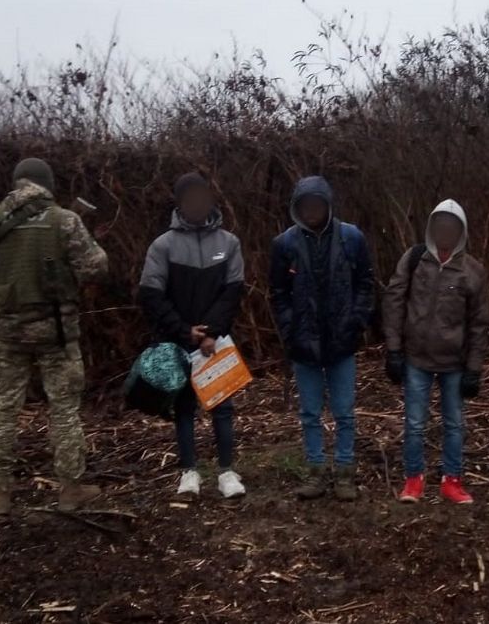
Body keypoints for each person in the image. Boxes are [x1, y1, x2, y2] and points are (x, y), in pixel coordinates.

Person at [0, 157, 108, 515]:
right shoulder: (65, 220)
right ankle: (70, 490)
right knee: (65, 411)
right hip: (57, 333)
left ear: (16, 183)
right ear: (48, 184)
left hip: (8, 332)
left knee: (4, 409)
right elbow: (95, 268)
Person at [138, 172, 247, 499]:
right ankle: (189, 472)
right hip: (177, 341)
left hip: (217, 343)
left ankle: (227, 472)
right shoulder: (163, 245)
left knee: (222, 407)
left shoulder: (229, 243)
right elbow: (151, 295)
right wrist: (185, 331)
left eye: (203, 196)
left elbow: (233, 292)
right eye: (190, 198)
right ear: (180, 203)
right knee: (184, 408)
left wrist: (211, 332)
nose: (197, 203)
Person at [270, 176, 375, 501]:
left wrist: (356, 322)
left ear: (328, 204)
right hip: (304, 344)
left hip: (342, 341)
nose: (312, 210)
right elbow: (278, 293)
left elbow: (366, 283)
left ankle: (344, 474)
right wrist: (290, 330)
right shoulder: (284, 244)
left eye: (317, 204)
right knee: (310, 414)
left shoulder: (351, 237)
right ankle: (315, 473)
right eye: (305, 205)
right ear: (297, 208)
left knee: (344, 412)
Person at [383, 200, 489, 504]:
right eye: (440, 226)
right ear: (432, 228)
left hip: (454, 363)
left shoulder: (472, 271)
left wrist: (474, 368)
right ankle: (413, 480)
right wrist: (393, 350)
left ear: (461, 231)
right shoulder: (415, 259)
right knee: (415, 423)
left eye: (451, 227)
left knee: (454, 424)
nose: (445, 232)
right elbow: (394, 301)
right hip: (416, 357)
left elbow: (480, 323)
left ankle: (452, 481)